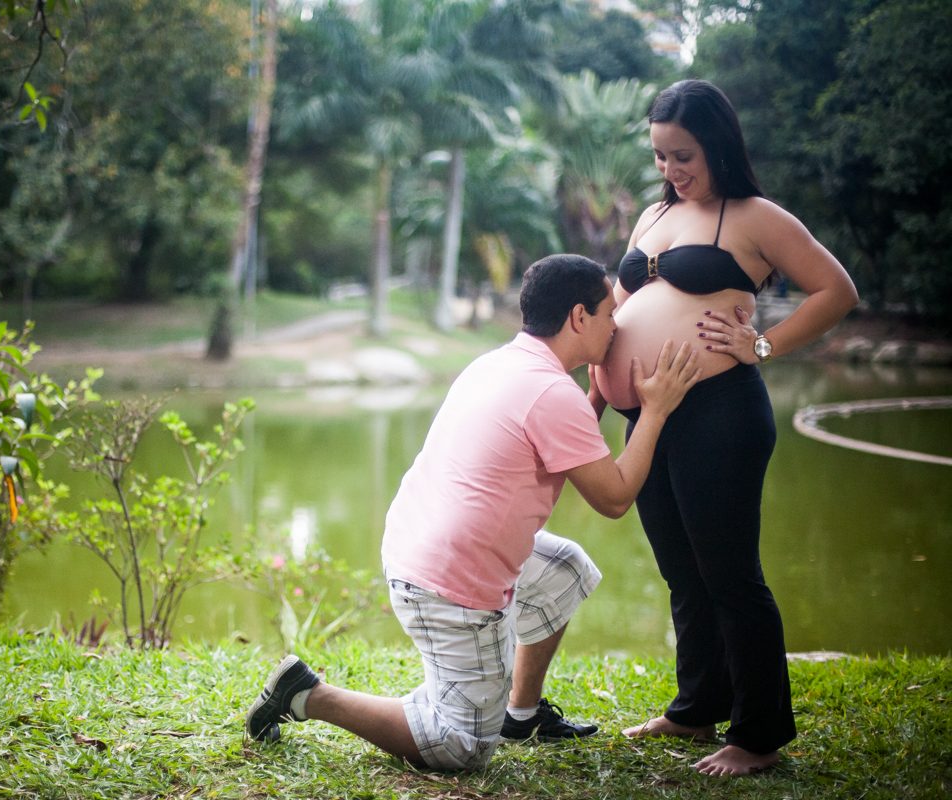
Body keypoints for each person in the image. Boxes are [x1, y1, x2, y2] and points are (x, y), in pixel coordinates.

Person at [246, 254, 702, 771]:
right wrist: (657, 411)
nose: (616, 325)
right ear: (579, 318)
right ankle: (308, 695)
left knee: (563, 571)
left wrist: (594, 395)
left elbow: (562, 443)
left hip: (418, 546)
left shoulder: (504, 363)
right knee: (462, 746)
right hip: (451, 585)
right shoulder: (552, 393)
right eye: (607, 313)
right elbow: (615, 498)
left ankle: (521, 714)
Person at [592, 79, 859, 777]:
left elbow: (837, 290)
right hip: (646, 415)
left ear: (717, 145)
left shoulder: (755, 216)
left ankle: (758, 735)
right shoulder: (651, 216)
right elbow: (616, 312)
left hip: (719, 414)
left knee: (730, 574)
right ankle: (694, 708)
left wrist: (763, 345)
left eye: (683, 156)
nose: (670, 172)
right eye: (659, 157)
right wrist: (591, 396)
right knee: (682, 572)